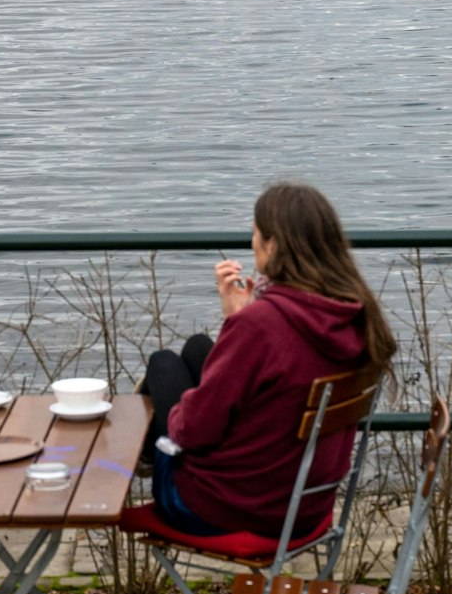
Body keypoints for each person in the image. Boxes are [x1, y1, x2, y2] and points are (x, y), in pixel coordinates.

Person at [137, 182, 396, 539]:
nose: (252, 241)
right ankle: (152, 454)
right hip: (305, 505)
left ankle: (151, 457)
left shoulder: (261, 326)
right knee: (199, 347)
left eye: (255, 233)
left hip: (227, 507)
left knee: (164, 364)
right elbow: (278, 370)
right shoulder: (357, 316)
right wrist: (236, 320)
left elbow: (194, 429)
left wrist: (174, 416)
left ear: (272, 245)